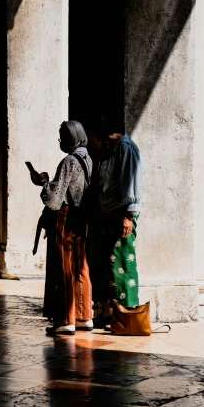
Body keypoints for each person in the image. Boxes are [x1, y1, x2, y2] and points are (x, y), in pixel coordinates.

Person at [30, 120, 93, 335]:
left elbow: (55, 197)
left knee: (64, 265)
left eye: (62, 137)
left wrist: (43, 184)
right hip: (82, 216)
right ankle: (84, 315)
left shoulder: (69, 161)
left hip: (66, 217)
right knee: (80, 264)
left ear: (71, 138)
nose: (61, 141)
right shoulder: (87, 158)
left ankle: (66, 319)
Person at [85, 115, 146, 329]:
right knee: (108, 266)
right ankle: (109, 313)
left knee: (122, 264)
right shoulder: (109, 151)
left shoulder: (126, 148)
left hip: (121, 213)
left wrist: (129, 216)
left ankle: (126, 316)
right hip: (108, 214)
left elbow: (132, 182)